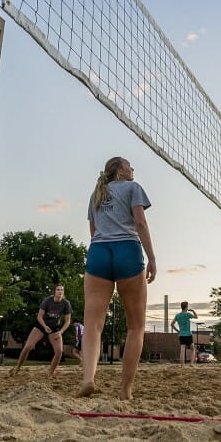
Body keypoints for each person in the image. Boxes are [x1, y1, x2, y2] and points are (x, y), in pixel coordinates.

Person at [75, 157, 156, 400]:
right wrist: (151, 257)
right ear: (121, 171)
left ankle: (88, 379)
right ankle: (125, 390)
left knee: (92, 325)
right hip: (127, 251)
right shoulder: (133, 187)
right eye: (130, 165)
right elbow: (140, 223)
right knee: (135, 327)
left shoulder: (96, 193)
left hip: (99, 252)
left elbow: (93, 231)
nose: (133, 169)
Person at [12, 284, 73, 378]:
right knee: (28, 347)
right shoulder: (47, 301)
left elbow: (68, 320)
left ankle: (50, 373)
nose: (60, 291)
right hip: (41, 325)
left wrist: (61, 331)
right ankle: (17, 368)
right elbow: (39, 316)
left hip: (54, 328)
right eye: (58, 290)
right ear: (54, 292)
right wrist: (44, 326)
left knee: (59, 351)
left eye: (62, 290)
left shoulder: (66, 303)